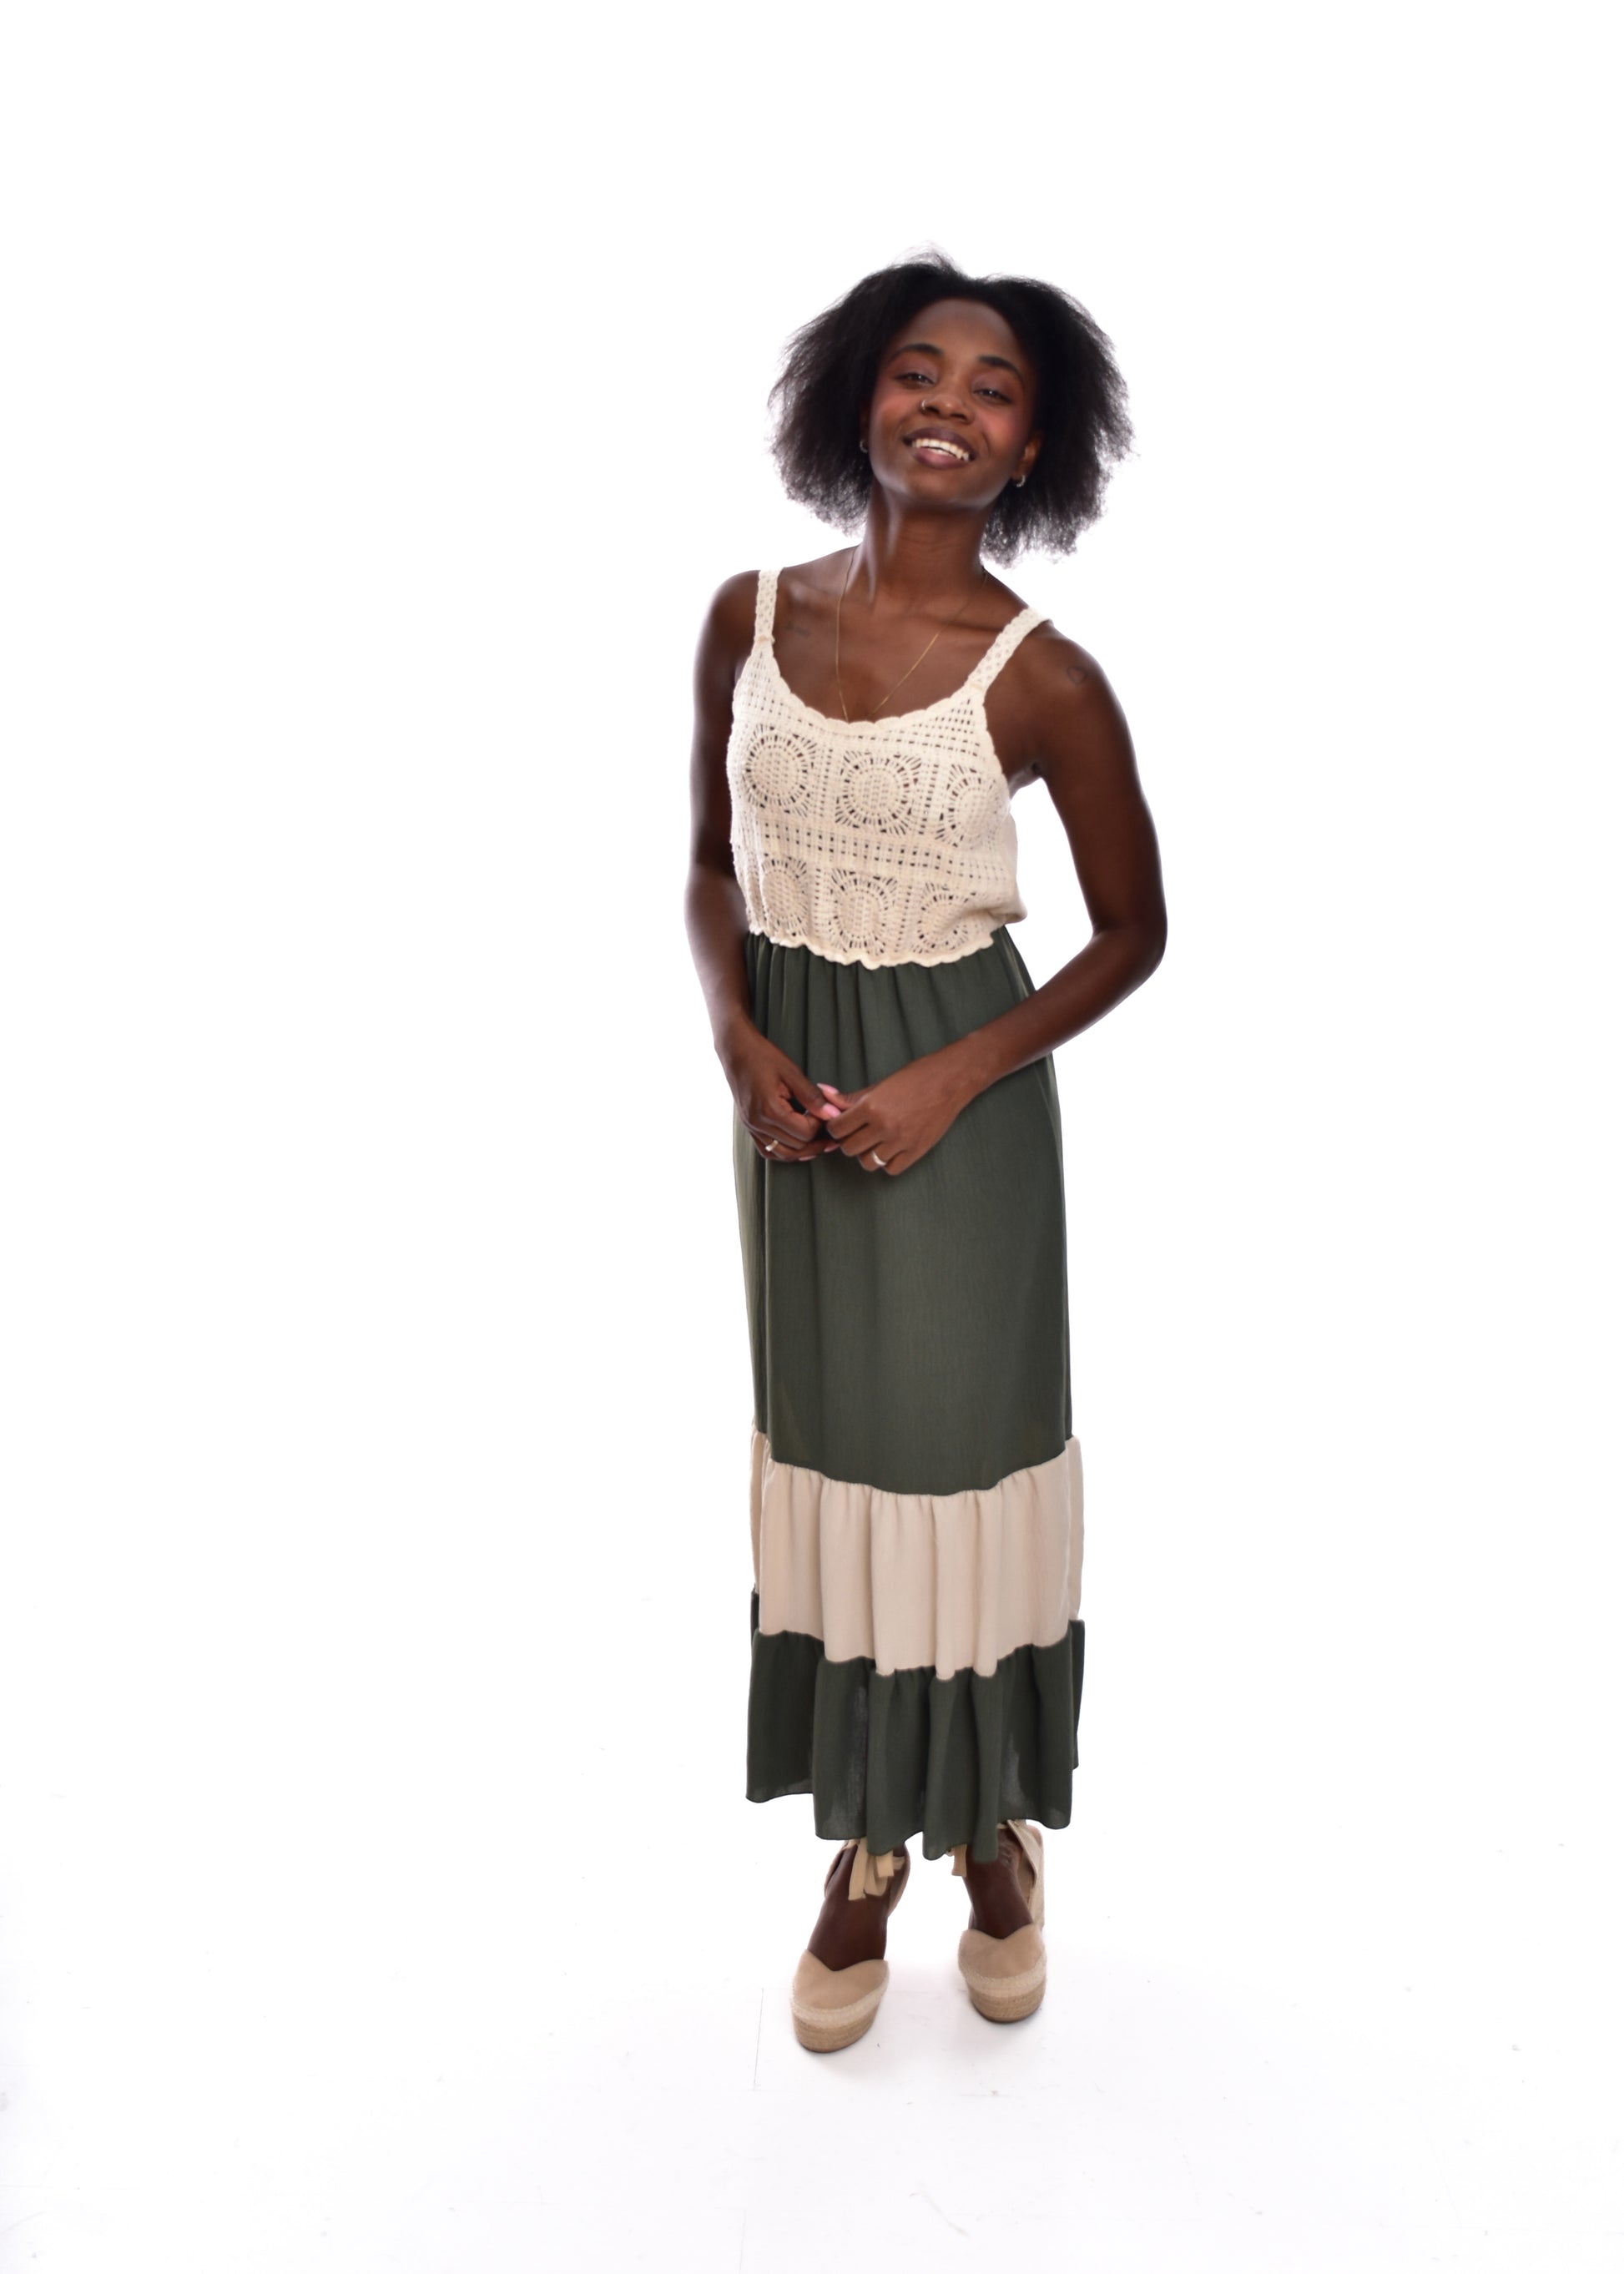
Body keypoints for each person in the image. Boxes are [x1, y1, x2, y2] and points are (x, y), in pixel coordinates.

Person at [684, 252, 1167, 2052]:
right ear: (856, 395)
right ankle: (870, 1836)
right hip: (789, 1117)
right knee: (837, 1470)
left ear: (1034, 444)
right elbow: (709, 866)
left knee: (961, 1479)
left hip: (961, 1126)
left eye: (991, 387)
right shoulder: (746, 615)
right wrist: (736, 1037)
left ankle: (989, 1834)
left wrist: (952, 1078)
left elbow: (1132, 932)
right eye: (916, 369)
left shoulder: (1047, 682)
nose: (947, 404)